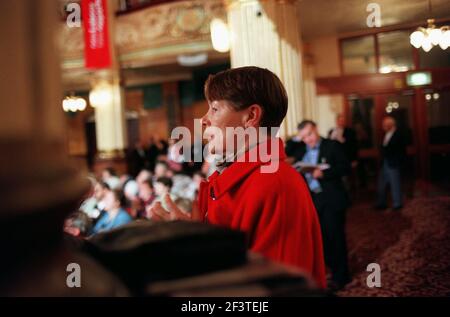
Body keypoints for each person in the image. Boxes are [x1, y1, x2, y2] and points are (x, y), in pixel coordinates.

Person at [148, 66, 326, 288]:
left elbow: (273, 291)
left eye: (214, 109)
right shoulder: (241, 177)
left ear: (251, 116)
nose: (203, 120)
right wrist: (194, 237)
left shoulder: (274, 183)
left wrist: (194, 249)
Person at [295, 120, 351, 291]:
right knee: (322, 239)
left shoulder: (331, 146)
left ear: (316, 129)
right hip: (314, 201)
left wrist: (324, 173)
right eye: (303, 137)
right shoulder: (301, 151)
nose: (308, 140)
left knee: (336, 238)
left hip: (332, 199)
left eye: (310, 134)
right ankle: (332, 269)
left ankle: (341, 277)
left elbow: (345, 167)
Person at [376, 116, 406, 211]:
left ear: (390, 125)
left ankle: (397, 204)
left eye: (384, 125)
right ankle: (381, 203)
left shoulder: (398, 134)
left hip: (393, 163)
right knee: (381, 184)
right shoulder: (386, 134)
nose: (383, 127)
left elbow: (400, 151)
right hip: (385, 162)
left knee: (395, 184)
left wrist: (398, 162)